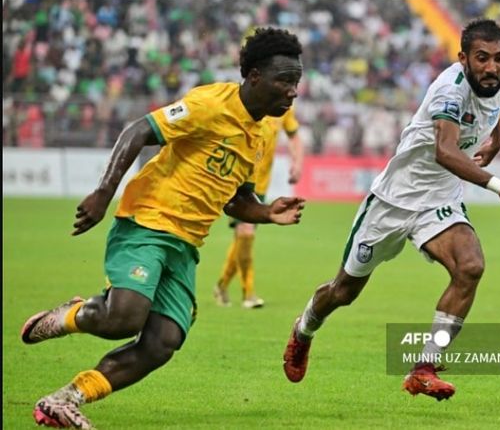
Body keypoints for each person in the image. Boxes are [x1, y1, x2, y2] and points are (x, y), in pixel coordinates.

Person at [20, 27, 305, 430]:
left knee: (162, 342)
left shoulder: (260, 137)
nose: (293, 91)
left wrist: (267, 212)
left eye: (296, 82)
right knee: (125, 317)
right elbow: (138, 130)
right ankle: (72, 316)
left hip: (186, 245)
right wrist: (104, 192)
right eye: (285, 80)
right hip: (148, 220)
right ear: (254, 75)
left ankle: (65, 399)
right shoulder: (210, 104)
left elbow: (237, 200)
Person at [282, 19, 500, 401]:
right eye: (482, 58)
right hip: (393, 200)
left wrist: (496, 141)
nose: (491, 67)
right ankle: (303, 330)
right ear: (463, 58)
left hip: (440, 199)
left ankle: (424, 369)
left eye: (498, 58)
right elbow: (446, 151)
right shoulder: (447, 92)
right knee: (343, 291)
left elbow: (494, 110)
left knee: (470, 267)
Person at [213, 106, 304, 308]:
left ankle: (222, 285)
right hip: (240, 180)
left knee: (242, 238)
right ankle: (248, 294)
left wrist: (297, 162)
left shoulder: (283, 107)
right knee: (245, 233)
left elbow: (294, 136)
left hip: (261, 184)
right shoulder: (246, 102)